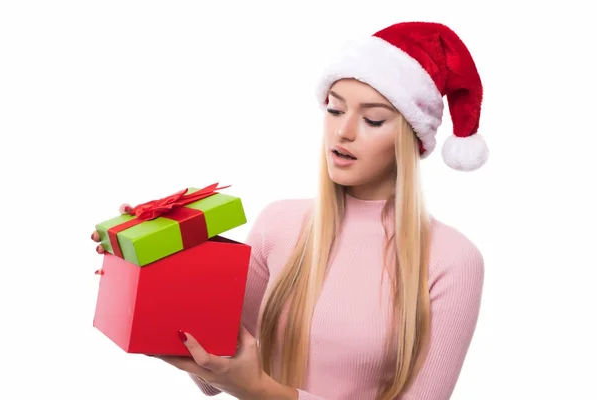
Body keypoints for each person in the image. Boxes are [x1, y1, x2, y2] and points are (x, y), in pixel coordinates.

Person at [92, 20, 488, 400]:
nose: (343, 131)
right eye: (334, 109)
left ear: (411, 137)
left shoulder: (452, 260)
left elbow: (249, 385)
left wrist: (264, 393)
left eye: (372, 119)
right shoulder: (279, 225)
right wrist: (146, 262)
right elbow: (213, 367)